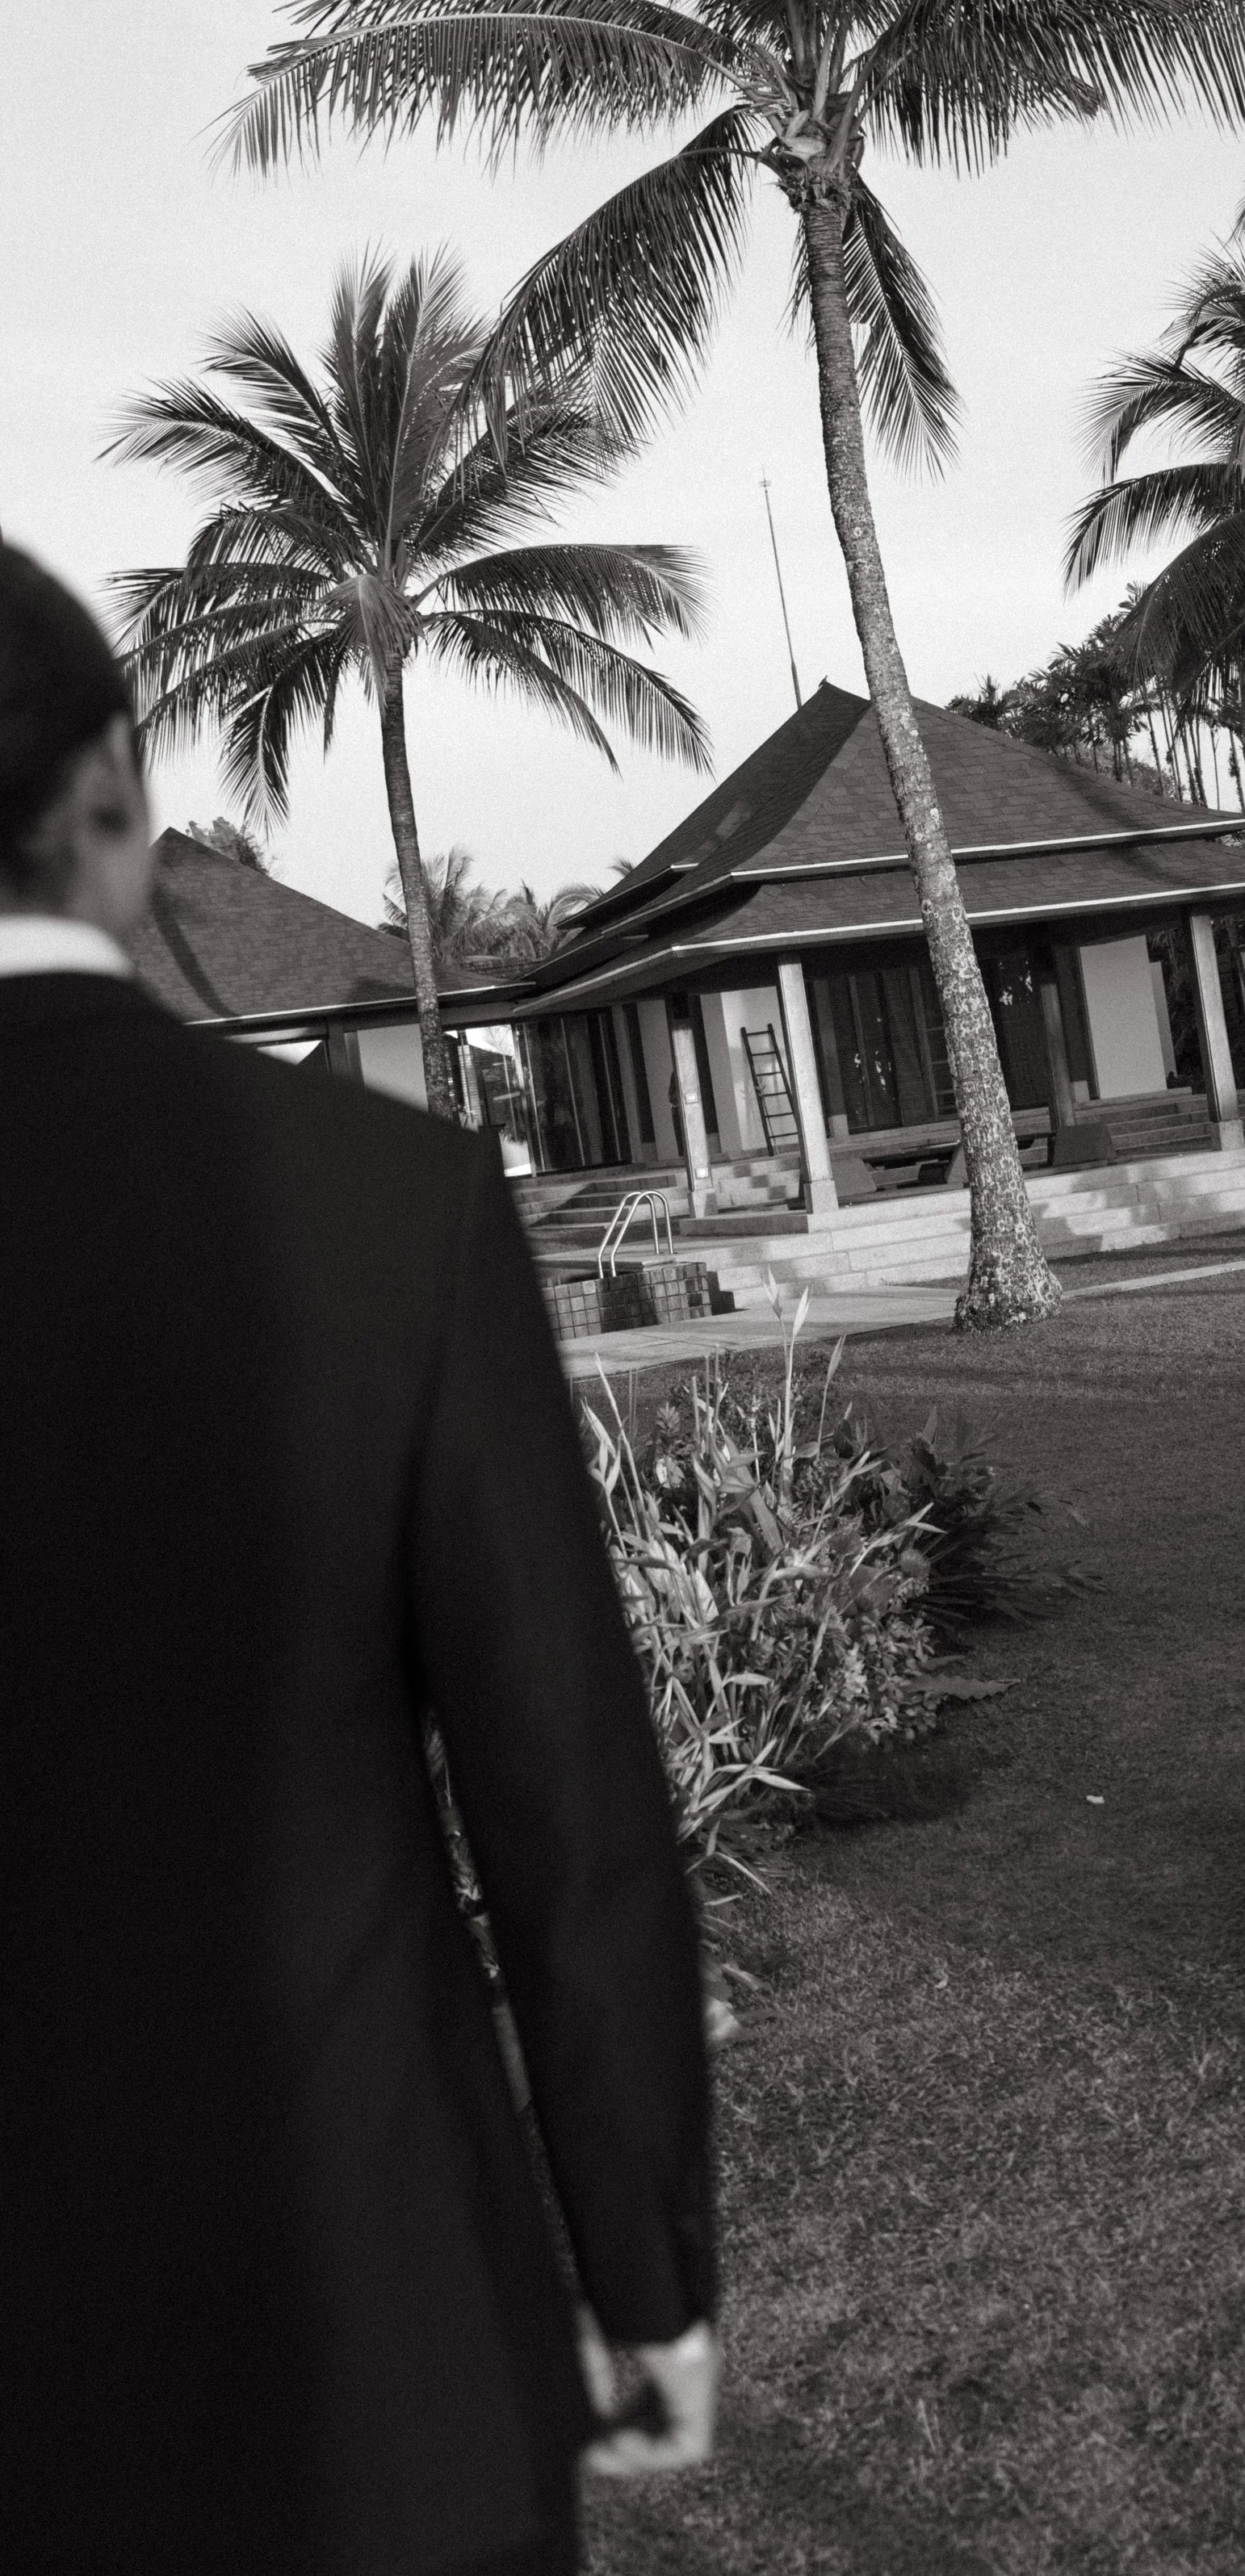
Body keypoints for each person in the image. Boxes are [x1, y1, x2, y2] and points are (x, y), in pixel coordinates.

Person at [0, 540, 720, 2576]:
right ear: (114, 792)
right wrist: (646, 2273)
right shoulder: (387, 1204)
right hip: (383, 2373)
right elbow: (567, 1809)